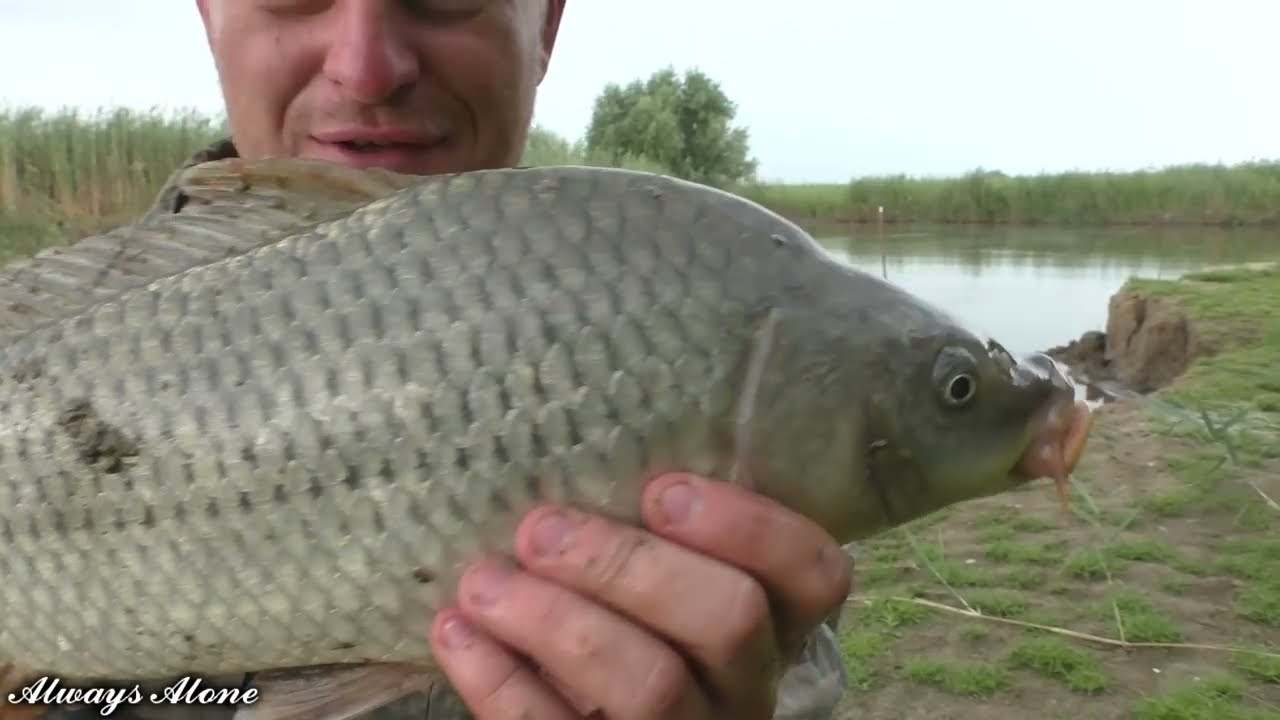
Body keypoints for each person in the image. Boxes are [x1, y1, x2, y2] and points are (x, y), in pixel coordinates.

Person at [52, 2, 855, 718]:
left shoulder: (685, 379)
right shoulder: (51, 356)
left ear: (544, 24)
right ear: (207, 14)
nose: (364, 68)